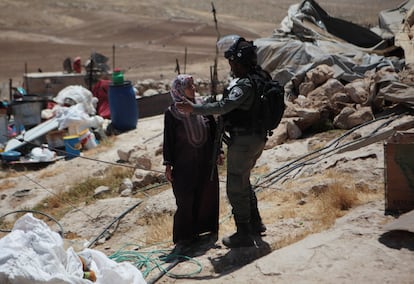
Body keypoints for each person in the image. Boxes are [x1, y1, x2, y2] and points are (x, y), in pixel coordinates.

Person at [175, 36, 268, 248]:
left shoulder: (244, 84)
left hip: (244, 141)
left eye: (232, 62)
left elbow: (224, 107)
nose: (231, 66)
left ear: (238, 62)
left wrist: (193, 109)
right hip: (256, 138)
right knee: (243, 180)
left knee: (235, 185)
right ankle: (256, 223)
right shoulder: (260, 76)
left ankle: (244, 232)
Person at [163, 74, 222, 253]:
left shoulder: (202, 106)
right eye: (189, 86)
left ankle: (207, 231)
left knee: (207, 195)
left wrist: (218, 151)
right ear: (179, 89)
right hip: (184, 164)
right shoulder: (172, 112)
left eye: (193, 85)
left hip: (205, 160)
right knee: (185, 200)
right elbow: (169, 140)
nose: (193, 89)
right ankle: (184, 238)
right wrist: (168, 164)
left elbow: (213, 130)